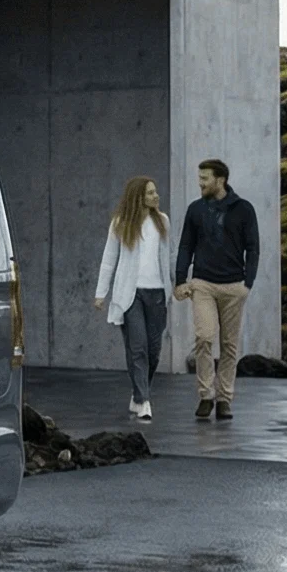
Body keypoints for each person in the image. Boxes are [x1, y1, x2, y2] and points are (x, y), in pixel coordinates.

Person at [173, 158, 259, 421]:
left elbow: (253, 247)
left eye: (204, 178)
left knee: (229, 345)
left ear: (220, 180)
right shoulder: (195, 210)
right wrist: (179, 280)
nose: (200, 183)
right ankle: (205, 395)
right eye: (199, 178)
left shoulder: (244, 209)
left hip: (234, 285)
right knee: (204, 338)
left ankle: (224, 399)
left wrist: (248, 283)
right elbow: (185, 246)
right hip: (203, 284)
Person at [91, 175, 172, 421]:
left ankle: (138, 394)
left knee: (154, 351)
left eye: (155, 192)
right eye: (150, 193)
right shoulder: (120, 223)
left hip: (157, 293)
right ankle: (144, 401)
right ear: (138, 196)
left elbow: (170, 255)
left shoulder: (163, 222)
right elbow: (109, 259)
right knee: (138, 348)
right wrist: (100, 293)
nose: (155, 196)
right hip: (130, 295)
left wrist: (178, 285)